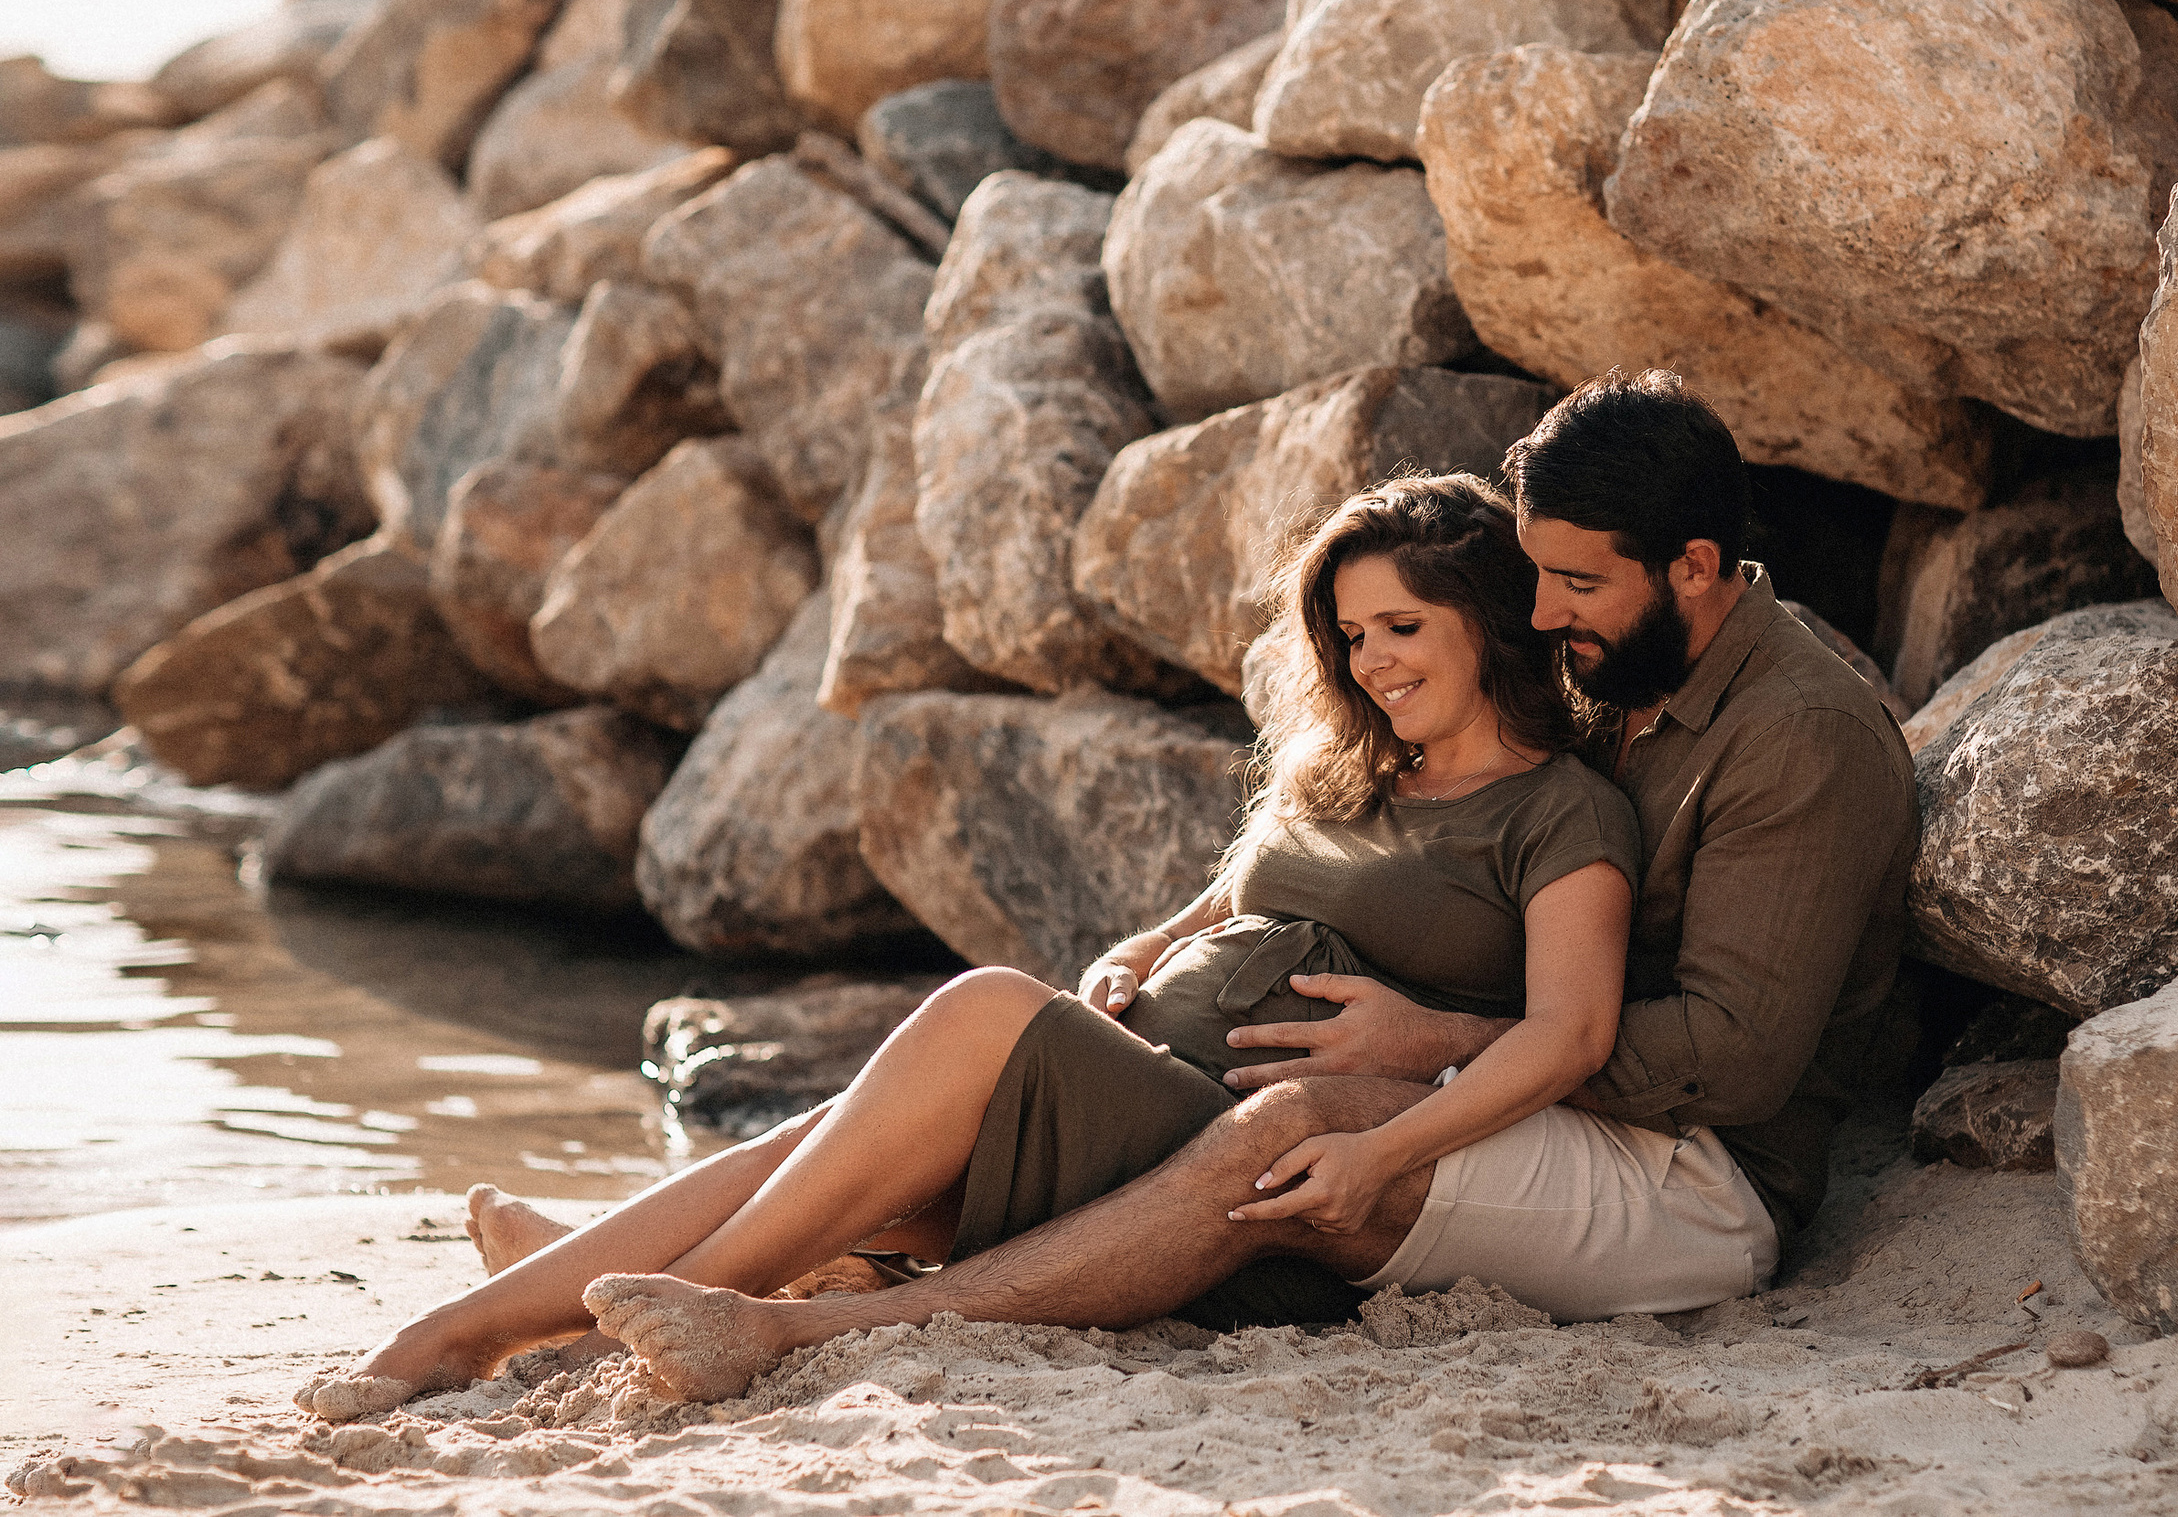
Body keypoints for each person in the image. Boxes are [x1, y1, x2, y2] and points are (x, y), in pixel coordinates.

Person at [539, 372, 1919, 1394]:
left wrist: (1429, 1048)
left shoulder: (1795, 736)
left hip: (1695, 1182)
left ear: (1693, 568)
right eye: (1536, 584)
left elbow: (1727, 1066)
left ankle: (792, 1326)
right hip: (1544, 1096)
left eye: (1572, 587)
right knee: (984, 1097)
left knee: (1284, 1125)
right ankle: (574, 1292)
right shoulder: (1628, 661)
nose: (1544, 619)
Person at [293, 472, 1643, 1419]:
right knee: (818, 1137)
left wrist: (1414, 1076)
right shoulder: (1353, 769)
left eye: (1405, 628)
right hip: (1140, 1084)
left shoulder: (1560, 811)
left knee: (981, 1012)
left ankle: (605, 1305)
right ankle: (476, 1329)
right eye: (1351, 635)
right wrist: (1141, 950)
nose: (1374, 660)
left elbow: (1572, 1034)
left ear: (1492, 624)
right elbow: (1230, 902)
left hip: (1227, 1173)